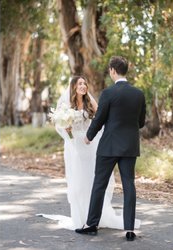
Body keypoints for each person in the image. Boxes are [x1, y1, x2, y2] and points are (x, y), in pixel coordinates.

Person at [38, 76, 140, 231]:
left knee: (94, 181)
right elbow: (62, 128)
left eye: (85, 83)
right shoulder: (66, 106)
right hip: (75, 146)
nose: (83, 86)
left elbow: (101, 116)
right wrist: (68, 132)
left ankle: (96, 217)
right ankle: (81, 218)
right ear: (73, 87)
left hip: (91, 144)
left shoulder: (89, 103)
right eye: (80, 83)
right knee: (78, 183)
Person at [75, 56, 146, 241]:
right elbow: (141, 122)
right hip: (129, 146)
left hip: (108, 146)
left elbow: (99, 118)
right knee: (129, 185)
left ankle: (91, 224)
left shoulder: (108, 93)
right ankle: (129, 229)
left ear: (113, 70)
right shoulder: (139, 94)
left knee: (99, 183)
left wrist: (89, 136)